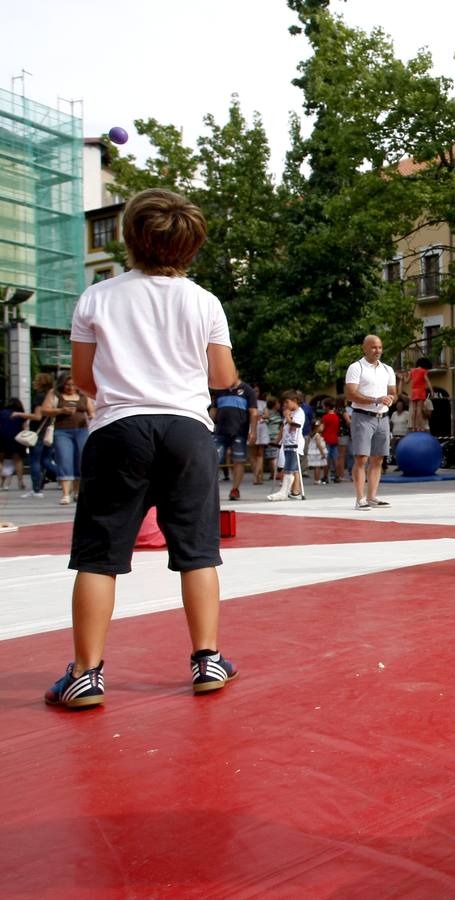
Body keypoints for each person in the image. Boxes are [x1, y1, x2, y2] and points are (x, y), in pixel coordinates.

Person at [45, 187, 240, 709]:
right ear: (191, 246)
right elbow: (223, 377)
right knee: (198, 552)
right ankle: (207, 660)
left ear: (130, 239)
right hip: (186, 430)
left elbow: (86, 379)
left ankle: (86, 674)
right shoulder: (205, 301)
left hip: (120, 429)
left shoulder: (98, 298)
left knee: (98, 556)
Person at [344, 335, 397, 510]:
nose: (377, 351)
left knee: (378, 458)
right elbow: (351, 394)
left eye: (380, 347)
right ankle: (360, 499)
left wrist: (390, 399)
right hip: (362, 416)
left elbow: (393, 393)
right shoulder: (356, 367)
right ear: (365, 348)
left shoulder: (387, 369)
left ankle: (372, 496)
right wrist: (376, 400)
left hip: (382, 417)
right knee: (361, 458)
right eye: (374, 347)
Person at [42, 374, 95, 506]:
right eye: (67, 384)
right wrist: (61, 410)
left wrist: (91, 418)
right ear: (62, 384)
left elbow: (92, 412)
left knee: (80, 460)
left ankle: (77, 492)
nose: (71, 387)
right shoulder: (54, 393)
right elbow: (44, 410)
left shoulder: (84, 394)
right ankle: (66, 494)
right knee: (64, 459)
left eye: (73, 384)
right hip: (62, 431)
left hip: (82, 431)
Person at [210, 378, 258, 501]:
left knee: (239, 460)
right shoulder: (220, 389)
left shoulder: (247, 390)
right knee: (213, 459)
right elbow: (214, 409)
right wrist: (208, 425)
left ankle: (235, 489)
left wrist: (253, 431)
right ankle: (209, 489)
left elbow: (253, 412)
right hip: (220, 431)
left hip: (240, 432)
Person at [20, 373, 56, 498]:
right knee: (45, 460)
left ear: (41, 383)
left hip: (39, 433)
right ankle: (67, 475)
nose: (34, 382)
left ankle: (36, 489)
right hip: (50, 432)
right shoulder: (53, 396)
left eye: (36, 380)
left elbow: (37, 416)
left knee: (35, 461)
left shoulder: (40, 396)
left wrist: (19, 414)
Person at [268, 391, 306, 501]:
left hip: (295, 444)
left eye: (287, 402)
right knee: (294, 468)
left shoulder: (299, 412)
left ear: (295, 401)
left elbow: (295, 425)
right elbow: (283, 428)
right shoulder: (290, 413)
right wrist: (277, 441)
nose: (285, 405)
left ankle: (284, 492)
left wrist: (287, 417)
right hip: (287, 444)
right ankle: (295, 492)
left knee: (290, 467)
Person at [0, 398, 26, 490]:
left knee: (1, 460)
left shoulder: (2, 412)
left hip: (2, 438)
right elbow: (24, 428)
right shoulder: (21, 414)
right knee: (18, 460)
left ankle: (2, 481)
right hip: (16, 438)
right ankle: (20, 481)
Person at [409, 356, 431, 433]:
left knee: (414, 410)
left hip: (414, 392)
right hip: (421, 392)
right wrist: (432, 391)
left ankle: (414, 427)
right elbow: (427, 381)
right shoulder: (423, 371)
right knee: (419, 410)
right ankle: (420, 427)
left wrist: (402, 377)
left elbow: (407, 380)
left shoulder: (412, 371)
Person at [320, 400, 341, 483]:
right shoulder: (336, 417)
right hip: (335, 438)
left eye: (324, 406)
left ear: (327, 407)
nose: (323, 408)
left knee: (326, 459)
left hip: (326, 439)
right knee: (335, 458)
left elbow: (322, 428)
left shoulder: (325, 417)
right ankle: (337, 476)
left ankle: (325, 476)